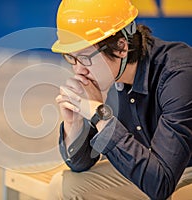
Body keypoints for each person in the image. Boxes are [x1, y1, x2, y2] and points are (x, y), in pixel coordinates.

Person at [48, 0, 192, 199]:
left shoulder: (178, 75)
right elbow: (81, 164)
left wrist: (101, 115)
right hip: (151, 167)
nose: (78, 70)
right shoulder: (106, 75)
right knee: (64, 186)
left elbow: (161, 184)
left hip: (182, 171)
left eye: (85, 58)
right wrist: (74, 124)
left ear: (121, 48)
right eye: (71, 58)